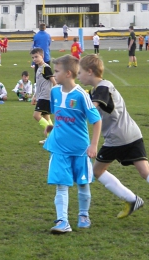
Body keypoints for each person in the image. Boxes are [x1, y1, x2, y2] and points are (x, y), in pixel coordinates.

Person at [78, 54, 147, 219]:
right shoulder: (100, 88)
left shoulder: (103, 87)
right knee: (146, 171)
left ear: (90, 71)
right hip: (132, 133)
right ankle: (132, 200)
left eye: (80, 72)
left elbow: (93, 107)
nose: (78, 76)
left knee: (97, 171)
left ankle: (131, 199)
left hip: (117, 137)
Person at [43, 54, 102, 233]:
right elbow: (59, 116)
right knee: (61, 184)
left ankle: (83, 214)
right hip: (59, 147)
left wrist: (93, 145)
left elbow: (97, 120)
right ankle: (62, 221)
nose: (54, 74)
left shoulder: (82, 95)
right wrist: (52, 128)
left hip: (79, 149)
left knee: (83, 183)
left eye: (57, 71)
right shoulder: (54, 92)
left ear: (68, 73)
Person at [30, 47, 56, 144]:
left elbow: (54, 82)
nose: (34, 59)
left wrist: (58, 94)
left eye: (36, 57)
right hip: (41, 96)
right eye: (33, 58)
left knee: (36, 115)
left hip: (46, 96)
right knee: (46, 118)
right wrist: (35, 96)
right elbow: (39, 84)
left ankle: (53, 133)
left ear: (42, 56)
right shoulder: (38, 68)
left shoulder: (46, 67)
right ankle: (52, 138)